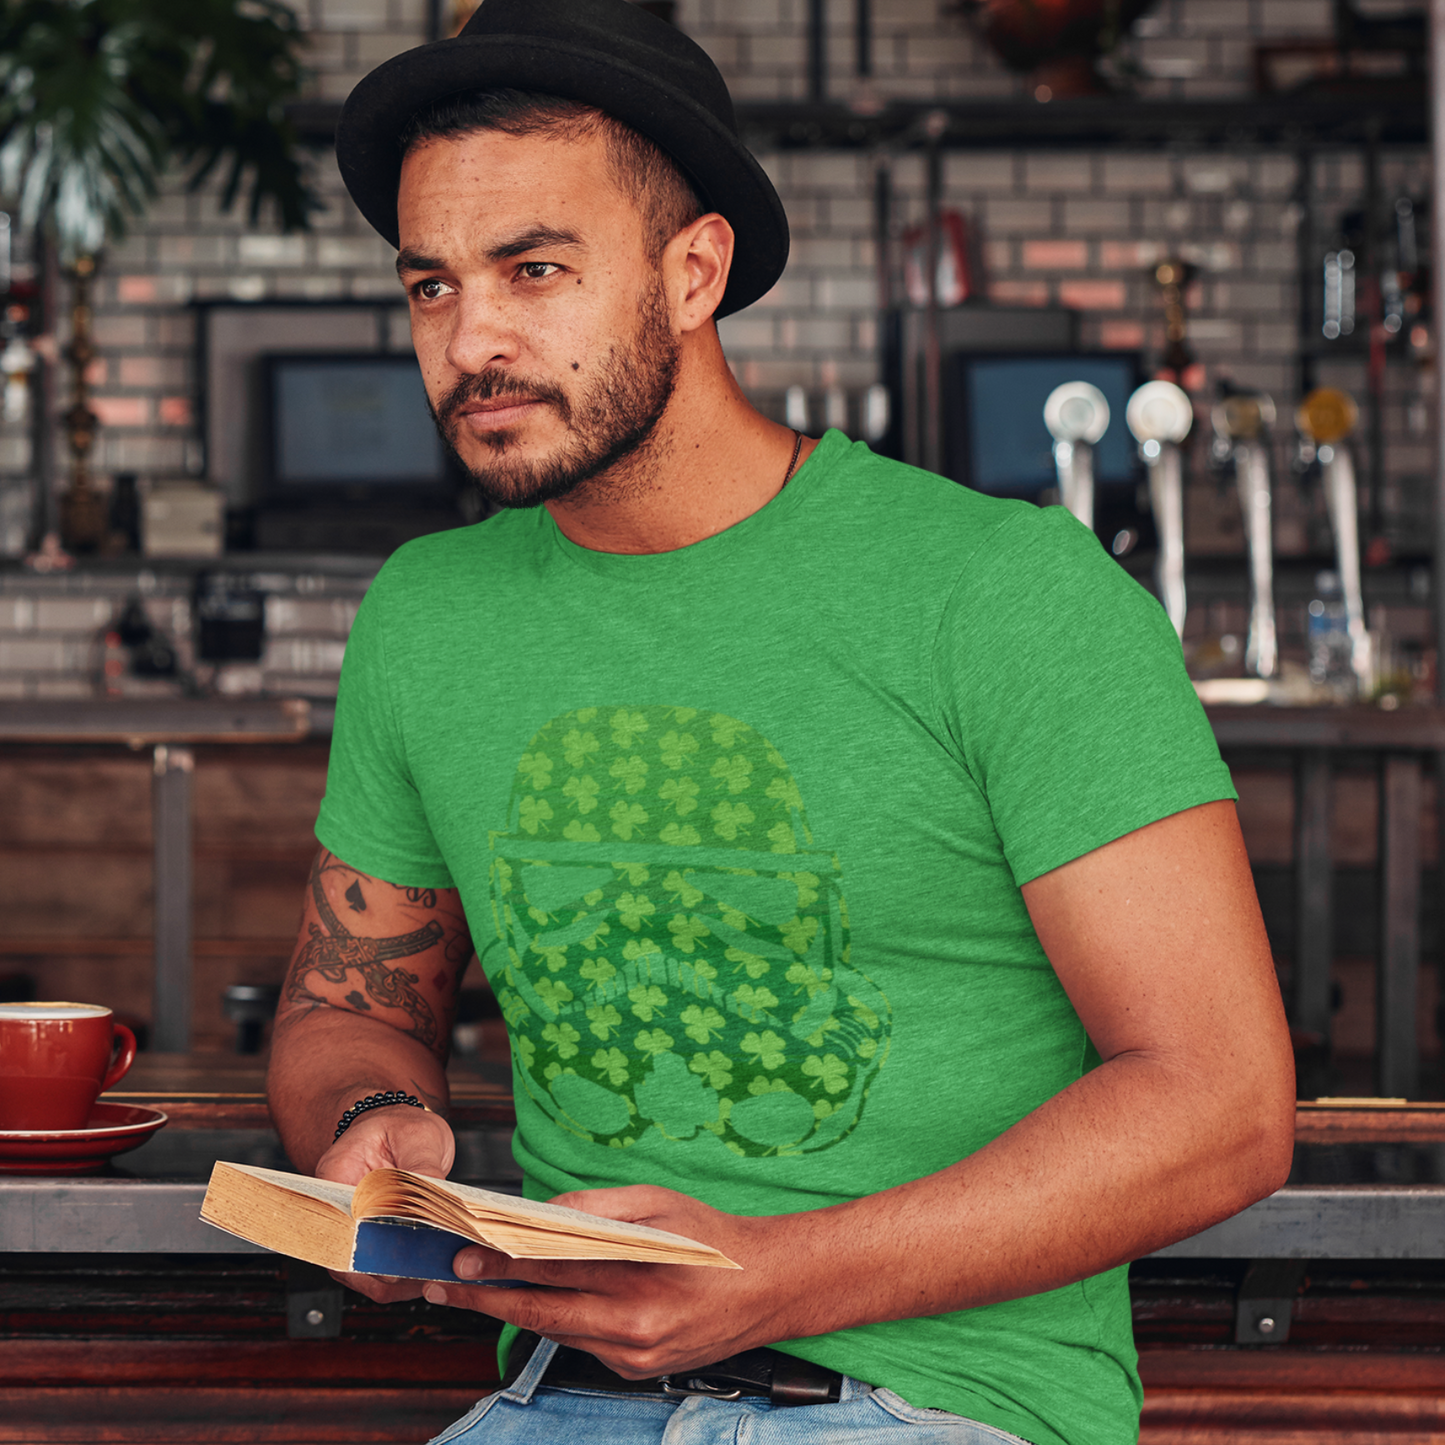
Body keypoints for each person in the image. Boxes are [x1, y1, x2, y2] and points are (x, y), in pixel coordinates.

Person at [266, 2, 1295, 1441]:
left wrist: (774, 1277)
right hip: (562, 1404)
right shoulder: (430, 614)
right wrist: (367, 1123)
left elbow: (1225, 1104)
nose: (472, 338)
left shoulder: (1004, 593)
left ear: (695, 273)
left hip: (939, 1406)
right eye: (431, 285)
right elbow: (343, 1005)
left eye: (535, 269)